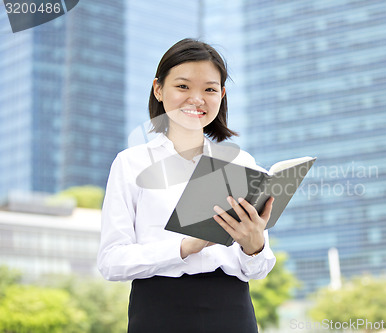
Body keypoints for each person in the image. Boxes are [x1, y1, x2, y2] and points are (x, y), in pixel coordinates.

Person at [97, 38, 276, 333]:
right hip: (159, 310)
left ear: (222, 95)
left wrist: (254, 245)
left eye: (209, 89)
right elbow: (111, 261)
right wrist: (185, 246)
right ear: (158, 89)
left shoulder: (241, 162)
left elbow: (258, 269)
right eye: (183, 87)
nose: (197, 98)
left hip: (233, 311)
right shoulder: (132, 163)